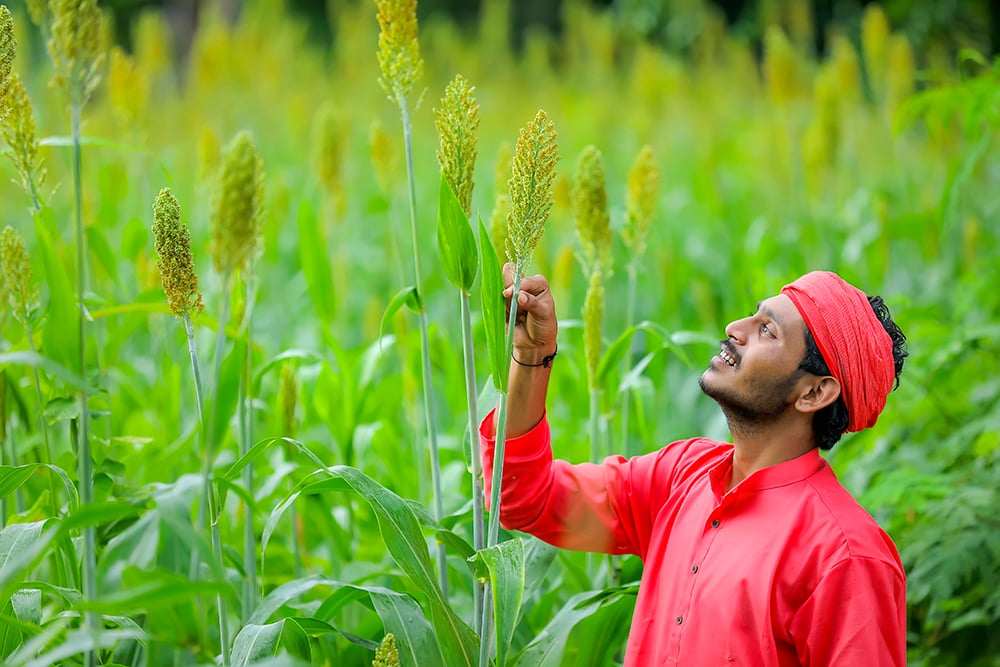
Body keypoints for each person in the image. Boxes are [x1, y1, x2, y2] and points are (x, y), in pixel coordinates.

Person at [480, 266, 909, 666]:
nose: (734, 330)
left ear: (815, 393)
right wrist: (531, 355)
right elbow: (523, 496)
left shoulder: (846, 558)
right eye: (751, 316)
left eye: (767, 331)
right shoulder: (682, 475)